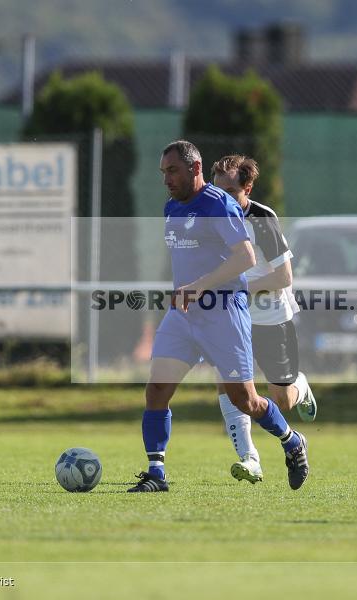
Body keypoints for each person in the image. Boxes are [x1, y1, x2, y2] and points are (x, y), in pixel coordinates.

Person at [128, 140, 310, 493]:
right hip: (183, 316)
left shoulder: (219, 204)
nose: (166, 179)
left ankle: (291, 441)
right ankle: (156, 473)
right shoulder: (171, 208)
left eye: (173, 171)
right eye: (163, 172)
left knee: (247, 400)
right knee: (157, 390)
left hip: (224, 314)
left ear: (195, 169)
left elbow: (246, 258)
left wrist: (198, 286)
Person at [210, 155, 316, 485]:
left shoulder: (262, 218)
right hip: (231, 318)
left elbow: (284, 277)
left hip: (272, 319)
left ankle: (301, 386)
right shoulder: (208, 216)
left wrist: (239, 288)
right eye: (217, 189)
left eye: (230, 190)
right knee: (229, 387)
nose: (223, 197)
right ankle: (250, 458)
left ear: (248, 187)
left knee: (281, 399)